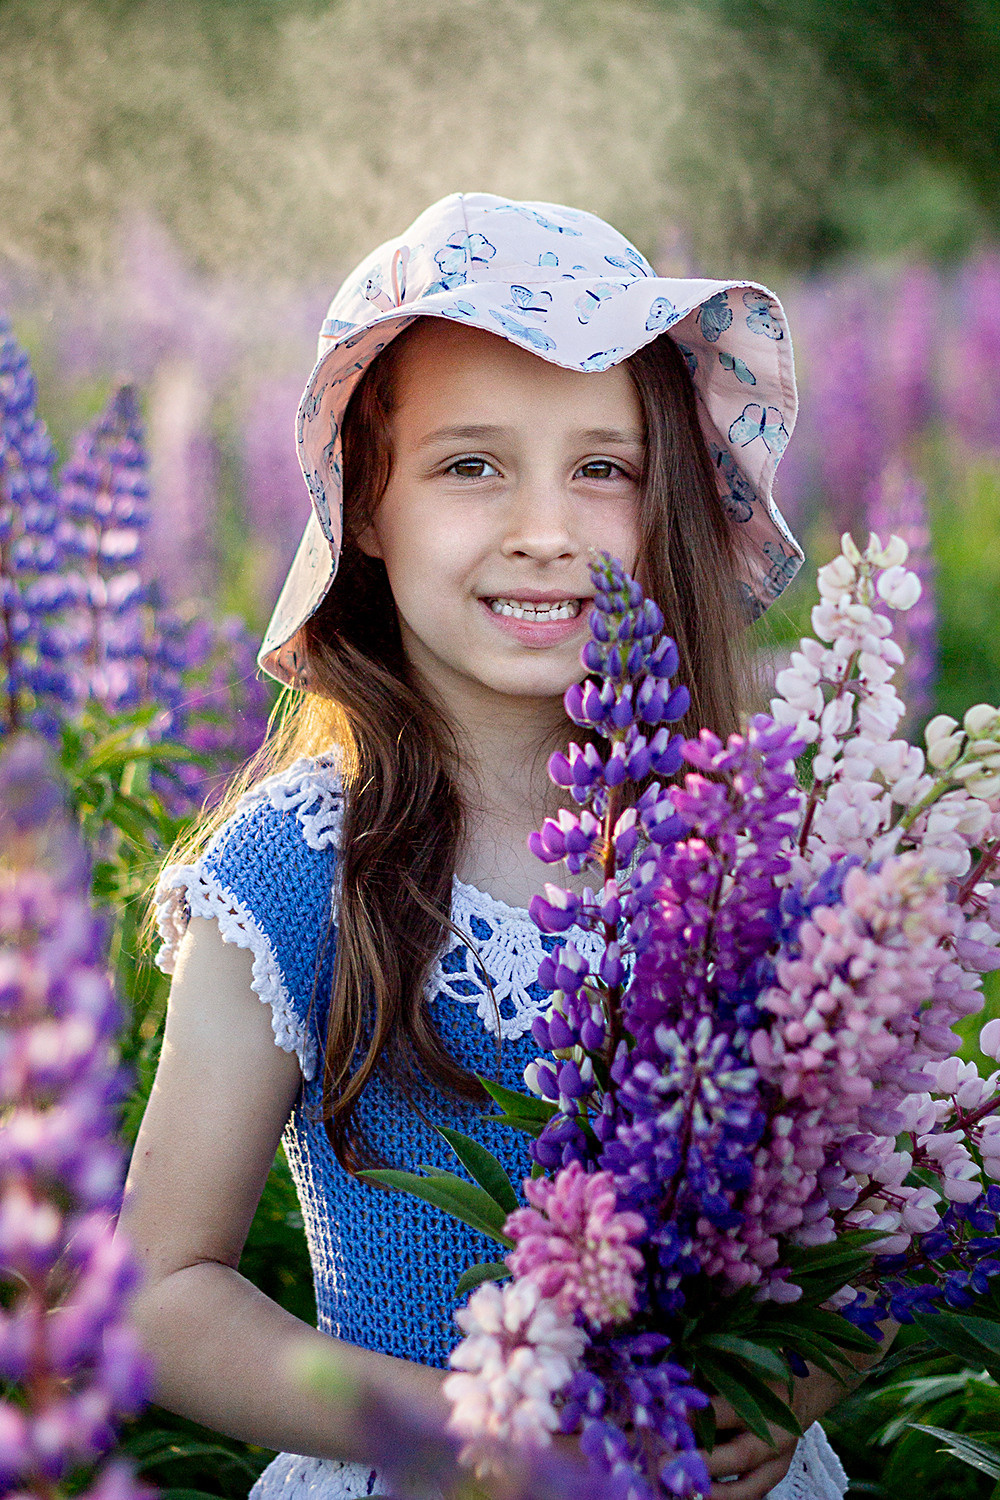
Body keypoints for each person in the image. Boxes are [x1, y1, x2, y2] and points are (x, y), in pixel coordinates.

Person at [120, 192, 854, 1500]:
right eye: (472, 465)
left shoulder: (750, 835)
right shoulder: (297, 867)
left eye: (602, 468)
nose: (546, 529)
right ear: (368, 508)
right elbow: (166, 1291)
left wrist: (790, 1390)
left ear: (667, 500)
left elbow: (866, 1230)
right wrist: (462, 1424)